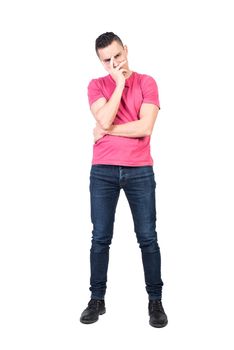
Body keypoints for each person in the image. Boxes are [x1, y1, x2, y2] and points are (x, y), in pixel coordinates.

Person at [80, 32, 168, 328]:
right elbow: (103, 119)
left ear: (126, 50)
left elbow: (145, 127)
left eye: (118, 56)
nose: (115, 63)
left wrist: (106, 130)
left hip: (139, 169)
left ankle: (155, 301)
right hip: (102, 170)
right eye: (107, 60)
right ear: (100, 61)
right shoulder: (97, 85)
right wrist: (118, 85)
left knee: (148, 238)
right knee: (100, 238)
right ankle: (97, 299)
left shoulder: (147, 82)